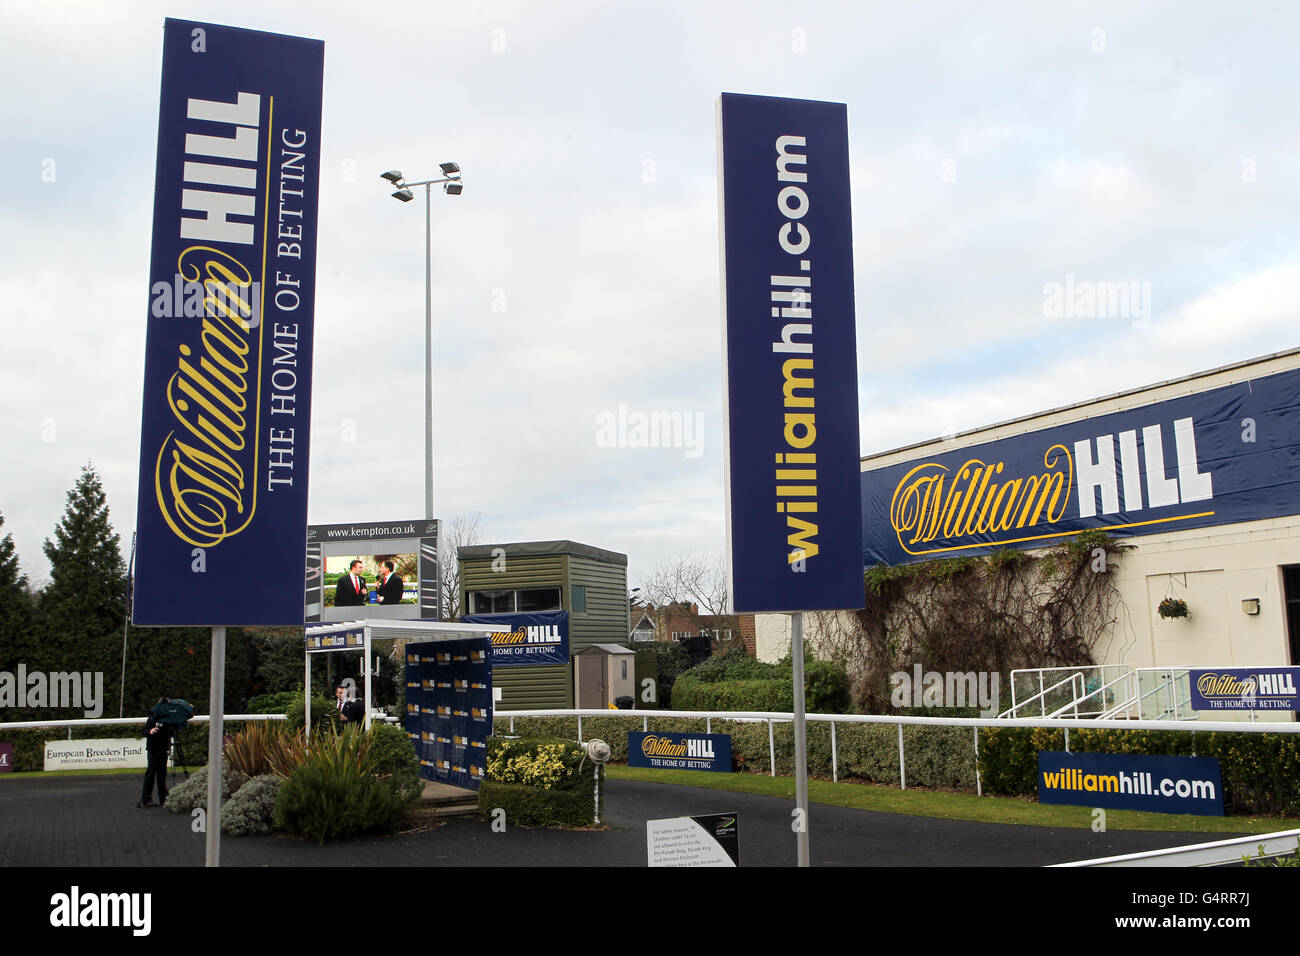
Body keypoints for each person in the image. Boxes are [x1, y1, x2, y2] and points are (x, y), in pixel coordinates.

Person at [138, 698, 172, 808]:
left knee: (162, 774)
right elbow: (144, 731)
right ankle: (147, 798)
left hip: (162, 749)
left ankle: (163, 798)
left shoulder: (168, 719)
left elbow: (170, 733)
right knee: (151, 774)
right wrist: (150, 731)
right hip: (153, 749)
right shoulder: (152, 718)